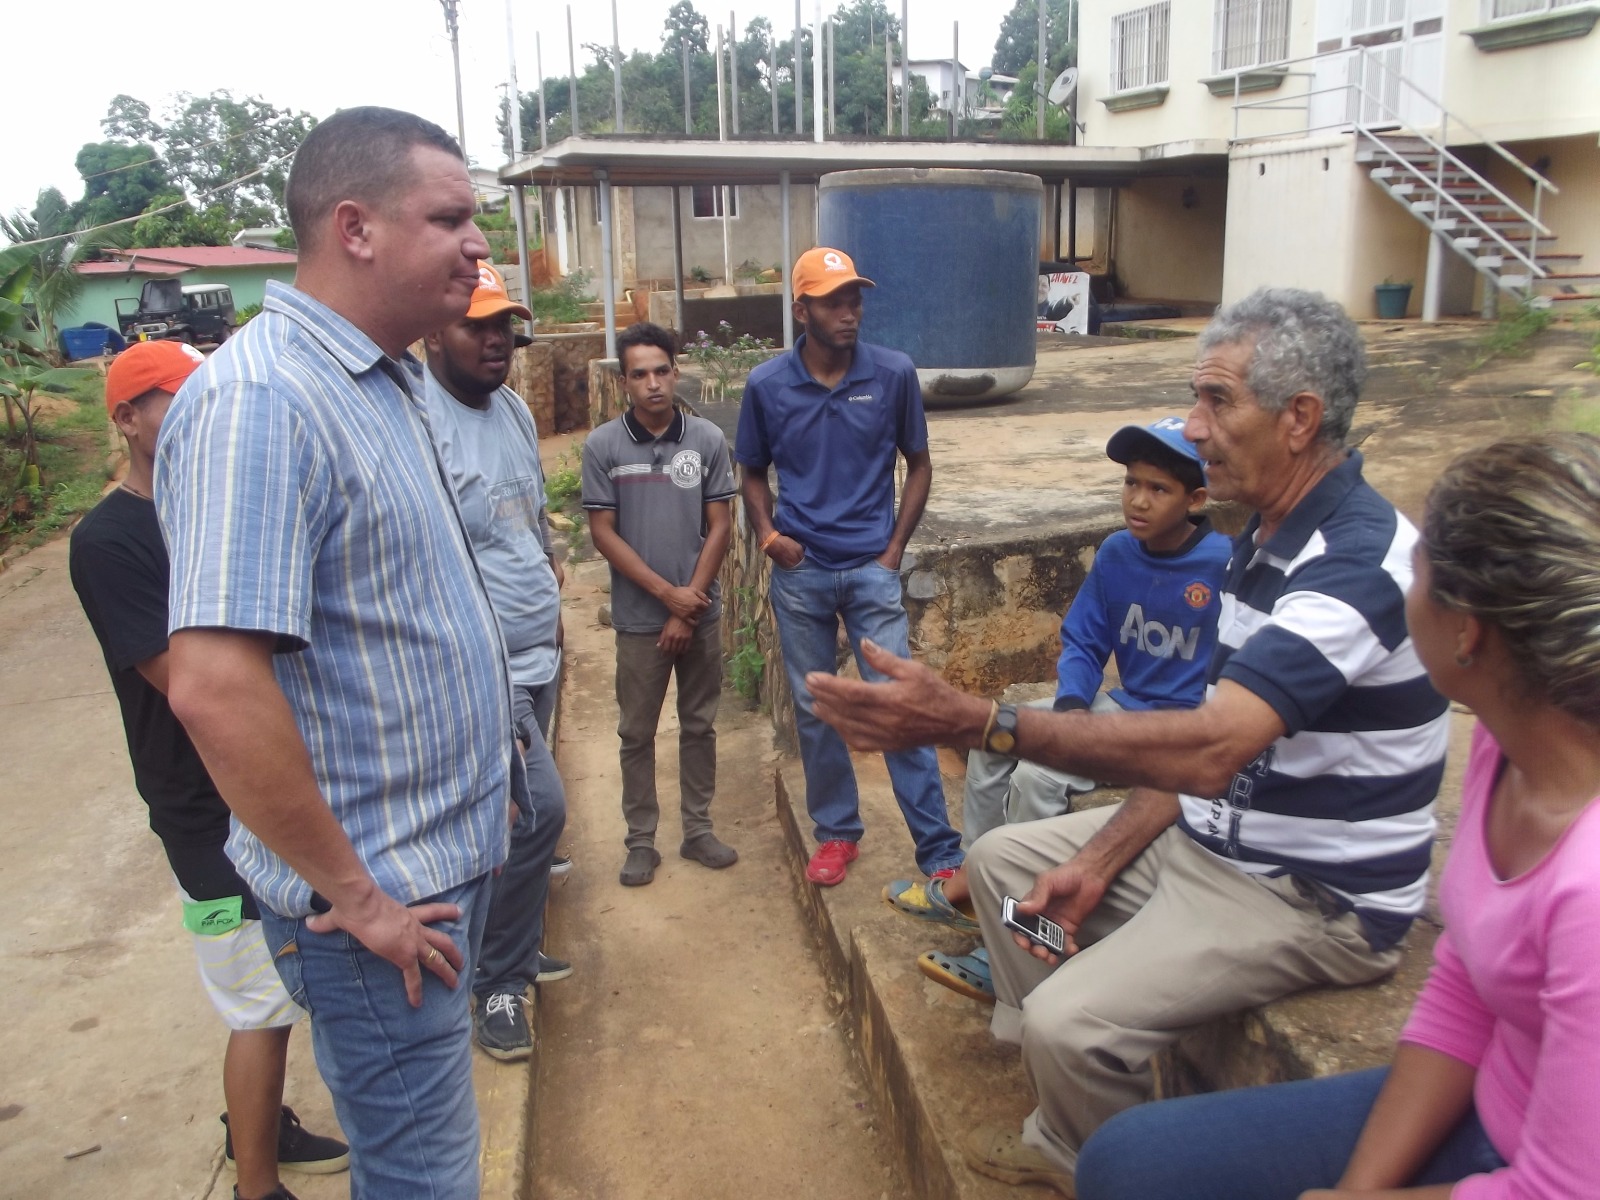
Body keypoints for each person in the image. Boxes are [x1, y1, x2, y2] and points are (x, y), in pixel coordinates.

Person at [805, 287, 1452, 1196]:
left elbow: (1211, 748)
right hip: (1216, 841)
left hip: (1307, 898)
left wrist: (979, 720)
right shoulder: (1259, 541)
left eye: (1217, 402)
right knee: (996, 864)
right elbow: (1203, 761)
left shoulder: (1358, 563)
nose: (1195, 427)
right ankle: (1056, 1086)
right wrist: (1105, 854)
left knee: (1075, 1021)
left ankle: (1090, 1154)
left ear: (1299, 418)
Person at [1075, 432, 1600, 1200]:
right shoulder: (1508, 741)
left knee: (1111, 1116)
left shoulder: (1588, 888)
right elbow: (1464, 983)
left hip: (1545, 1165)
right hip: (1490, 1092)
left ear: (1468, 633)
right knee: (1122, 1159)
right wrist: (1359, 1188)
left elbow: (1565, 1189)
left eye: (1416, 574)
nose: (1398, 582)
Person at [155, 107, 523, 1199]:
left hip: (433, 877)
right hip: (374, 914)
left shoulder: (383, 375)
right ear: (355, 228)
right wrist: (358, 899)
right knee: (424, 1180)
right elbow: (215, 687)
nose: (477, 246)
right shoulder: (264, 403)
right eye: (450, 218)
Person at [69, 342, 348, 1200]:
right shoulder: (109, 542)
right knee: (257, 1006)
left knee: (281, 986)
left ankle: (257, 1127)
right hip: (203, 811)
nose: (195, 414)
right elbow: (195, 688)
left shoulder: (204, 502)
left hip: (260, 789)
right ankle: (254, 1187)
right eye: (173, 400)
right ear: (127, 418)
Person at [885, 418, 1231, 1003]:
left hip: (1175, 733)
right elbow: (1086, 640)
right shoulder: (1120, 552)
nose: (1138, 501)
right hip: (1119, 707)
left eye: (1159, 489)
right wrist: (1070, 709)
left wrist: (1074, 737)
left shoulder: (1223, 565)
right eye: (1131, 483)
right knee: (994, 737)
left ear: (1196, 499)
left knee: (1039, 775)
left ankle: (1014, 940)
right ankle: (976, 891)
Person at [735, 245, 963, 888]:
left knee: (898, 705)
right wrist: (767, 532)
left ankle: (939, 849)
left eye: (855, 298)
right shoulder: (766, 385)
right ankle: (837, 834)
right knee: (817, 709)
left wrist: (892, 550)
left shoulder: (892, 374)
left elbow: (918, 463)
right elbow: (751, 468)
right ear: (801, 309)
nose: (850, 312)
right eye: (834, 301)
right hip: (800, 572)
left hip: (870, 569)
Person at [422, 261, 571, 1063]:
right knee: (538, 808)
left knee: (513, 830)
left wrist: (551, 597)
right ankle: (497, 983)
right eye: (476, 325)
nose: (495, 340)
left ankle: (509, 948)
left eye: (504, 324)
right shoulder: (418, 420)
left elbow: (531, 519)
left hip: (537, 648)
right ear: (433, 330)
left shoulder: (511, 408)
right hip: (485, 670)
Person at [581, 321, 739, 887]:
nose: (653, 383)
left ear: (676, 372)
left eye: (661, 370)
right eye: (639, 374)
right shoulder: (603, 446)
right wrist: (665, 598)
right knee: (636, 732)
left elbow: (720, 524)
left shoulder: (706, 441)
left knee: (699, 725)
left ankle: (697, 830)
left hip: (698, 615)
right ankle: (641, 841)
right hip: (639, 622)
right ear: (624, 382)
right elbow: (604, 532)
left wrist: (686, 605)